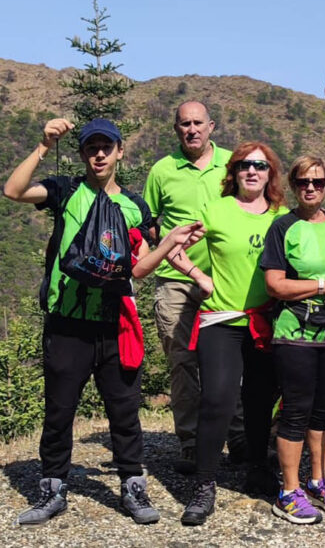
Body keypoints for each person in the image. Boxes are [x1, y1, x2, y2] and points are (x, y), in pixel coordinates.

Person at [4, 117, 205, 526]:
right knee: (59, 411)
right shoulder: (64, 190)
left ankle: (133, 485)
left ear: (119, 151)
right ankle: (53, 487)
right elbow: (13, 190)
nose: (98, 154)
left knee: (124, 411)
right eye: (90, 147)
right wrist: (43, 145)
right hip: (67, 322)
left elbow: (140, 267)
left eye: (106, 147)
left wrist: (171, 245)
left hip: (116, 323)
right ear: (81, 154)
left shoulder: (134, 206)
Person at [178, 141, 289, 525]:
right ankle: (204, 484)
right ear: (234, 172)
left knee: (260, 401)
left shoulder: (282, 216)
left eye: (260, 165)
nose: (252, 171)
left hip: (266, 320)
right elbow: (175, 248)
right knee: (218, 401)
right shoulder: (215, 210)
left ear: (270, 173)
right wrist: (198, 275)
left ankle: (258, 468)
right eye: (243, 165)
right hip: (220, 320)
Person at [143, 100, 243, 473]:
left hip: (224, 281)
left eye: (198, 123)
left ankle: (238, 436)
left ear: (212, 126)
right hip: (175, 282)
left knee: (230, 363)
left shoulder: (233, 164)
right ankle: (190, 441)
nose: (192, 130)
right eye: (184, 124)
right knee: (182, 363)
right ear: (176, 129)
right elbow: (149, 225)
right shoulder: (162, 171)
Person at [261, 156, 325, 524]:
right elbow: (275, 284)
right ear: (294, 185)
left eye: (318, 182)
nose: (311, 188)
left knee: (323, 413)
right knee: (296, 413)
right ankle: (288, 491)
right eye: (303, 182)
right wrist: (322, 286)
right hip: (294, 334)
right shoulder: (283, 226)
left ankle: (317, 481)